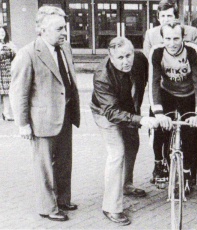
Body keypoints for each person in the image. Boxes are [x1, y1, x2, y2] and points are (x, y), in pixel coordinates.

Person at [10, 6, 80, 221]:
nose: (64, 33)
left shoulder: (65, 48)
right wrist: (23, 124)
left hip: (65, 115)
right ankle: (48, 207)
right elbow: (18, 91)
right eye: (59, 28)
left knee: (64, 161)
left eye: (64, 28)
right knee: (44, 167)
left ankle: (63, 200)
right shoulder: (28, 54)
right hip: (41, 119)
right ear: (42, 29)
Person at [90, 37, 158, 226]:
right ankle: (111, 206)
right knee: (117, 153)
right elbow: (111, 112)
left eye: (128, 55)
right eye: (120, 58)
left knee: (132, 145)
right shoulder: (102, 75)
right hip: (105, 113)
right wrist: (140, 119)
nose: (126, 61)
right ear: (111, 58)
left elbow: (147, 84)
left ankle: (126, 185)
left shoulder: (140, 60)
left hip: (128, 110)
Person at [144, 0, 197, 186]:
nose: (172, 43)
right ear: (162, 38)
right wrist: (159, 113)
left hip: (188, 94)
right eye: (167, 39)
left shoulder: (192, 50)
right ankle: (160, 164)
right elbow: (153, 83)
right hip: (167, 92)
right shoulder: (157, 52)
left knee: (189, 134)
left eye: (176, 39)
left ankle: (188, 172)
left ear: (183, 38)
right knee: (160, 129)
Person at [0, 26, 17, 121]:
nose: (1, 34)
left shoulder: (10, 44)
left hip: (7, 71)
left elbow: (16, 56)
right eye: (0, 32)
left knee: (7, 93)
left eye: (3, 32)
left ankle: (6, 113)